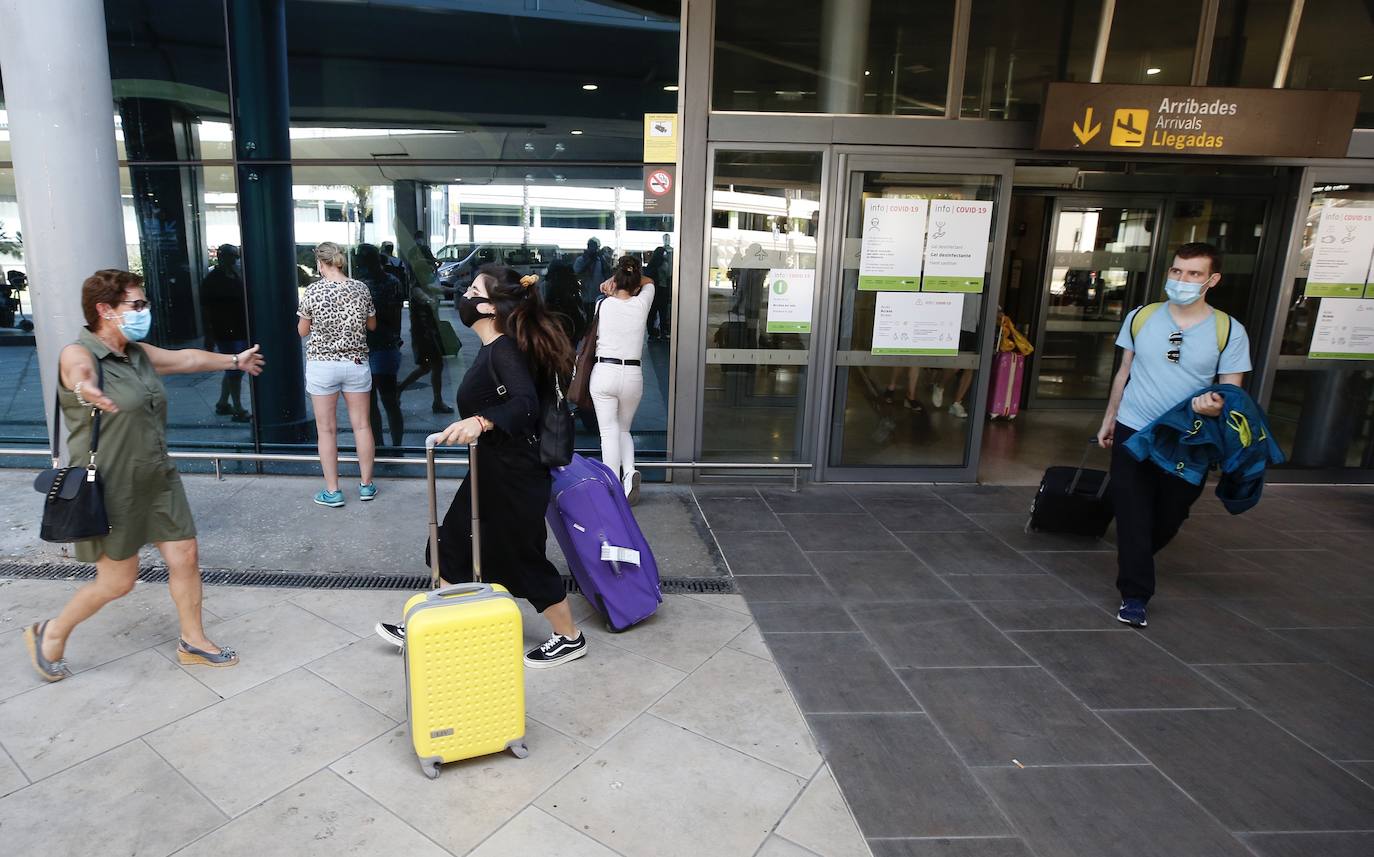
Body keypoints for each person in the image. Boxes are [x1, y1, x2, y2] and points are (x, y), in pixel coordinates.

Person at [23, 269, 266, 681]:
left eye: (144, 304)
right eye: (135, 305)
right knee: (118, 582)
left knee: (185, 555)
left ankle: (193, 640)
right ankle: (51, 631)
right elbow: (77, 374)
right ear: (105, 310)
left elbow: (186, 358)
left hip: (157, 475)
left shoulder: (136, 353)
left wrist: (234, 361)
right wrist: (87, 391)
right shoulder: (79, 354)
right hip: (111, 485)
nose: (144, 311)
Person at [374, 265, 587, 669]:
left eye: (472, 290)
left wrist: (480, 421)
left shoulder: (505, 349)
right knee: (449, 545)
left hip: (515, 475)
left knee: (522, 557)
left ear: (490, 307)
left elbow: (524, 403)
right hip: (492, 469)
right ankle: (437, 627)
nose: (463, 296)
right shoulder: (497, 349)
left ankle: (570, 638)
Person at [1096, 242, 1252, 628]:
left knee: (1170, 513)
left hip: (1188, 437)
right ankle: (1135, 595)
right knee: (1131, 510)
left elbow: (1231, 393)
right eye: (1177, 271)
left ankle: (1137, 556)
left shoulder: (1228, 330)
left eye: (1194, 274)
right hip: (1135, 428)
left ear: (1212, 280)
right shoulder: (1141, 316)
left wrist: (1214, 406)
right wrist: (1110, 417)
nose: (1182, 280)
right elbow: (1123, 372)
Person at [298, 241, 379, 507]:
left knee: (327, 430)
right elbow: (372, 324)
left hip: (322, 365)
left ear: (320, 264)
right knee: (362, 425)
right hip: (355, 363)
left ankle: (333, 492)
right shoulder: (361, 288)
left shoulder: (312, 291)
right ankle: (366, 486)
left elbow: (303, 331)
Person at [592, 255, 655, 504]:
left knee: (608, 433)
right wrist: (629, 278)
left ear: (615, 280)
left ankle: (612, 487)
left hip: (604, 371)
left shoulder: (603, 305)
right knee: (623, 429)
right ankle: (629, 473)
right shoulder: (642, 303)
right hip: (632, 375)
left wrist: (612, 281)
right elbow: (650, 282)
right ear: (636, 284)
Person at [356, 244, 407, 448]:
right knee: (376, 403)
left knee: (385, 401)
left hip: (381, 346)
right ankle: (384, 446)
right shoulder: (382, 282)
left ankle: (393, 446)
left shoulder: (377, 283)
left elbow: (393, 317)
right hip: (375, 346)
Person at [199, 244, 251, 422]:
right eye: (232, 256)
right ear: (222, 257)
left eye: (236, 257)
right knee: (236, 368)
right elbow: (205, 310)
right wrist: (209, 334)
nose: (235, 260)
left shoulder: (236, 275)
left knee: (233, 367)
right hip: (225, 330)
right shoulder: (213, 279)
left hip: (238, 329)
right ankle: (238, 408)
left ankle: (223, 403)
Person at [398, 270, 454, 414]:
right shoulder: (417, 289)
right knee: (432, 366)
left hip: (428, 332)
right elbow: (426, 299)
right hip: (424, 334)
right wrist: (432, 300)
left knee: (428, 367)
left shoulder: (424, 286)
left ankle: (401, 389)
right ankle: (437, 401)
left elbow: (441, 289)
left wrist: (457, 289)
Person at [573, 237, 611, 316]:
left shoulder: (600, 260)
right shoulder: (581, 260)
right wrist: (589, 261)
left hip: (599, 295)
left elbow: (607, 273)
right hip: (586, 295)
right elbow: (576, 274)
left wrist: (601, 258)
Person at [645, 244, 671, 340]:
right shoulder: (665, 264)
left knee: (652, 312)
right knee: (663, 312)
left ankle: (651, 332)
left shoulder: (651, 264)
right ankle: (663, 331)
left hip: (653, 290)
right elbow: (668, 275)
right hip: (662, 290)